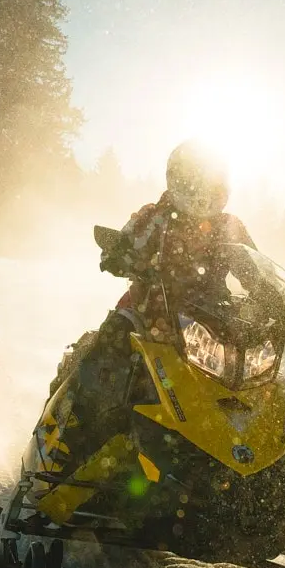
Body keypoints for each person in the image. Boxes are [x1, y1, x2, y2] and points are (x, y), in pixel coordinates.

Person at [51, 139, 254, 470]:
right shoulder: (156, 216)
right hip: (148, 310)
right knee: (107, 353)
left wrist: (272, 300)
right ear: (177, 179)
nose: (203, 189)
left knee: (255, 384)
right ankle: (69, 446)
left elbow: (253, 267)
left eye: (210, 180)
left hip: (211, 321)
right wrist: (118, 254)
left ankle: (265, 471)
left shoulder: (230, 226)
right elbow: (125, 242)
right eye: (195, 179)